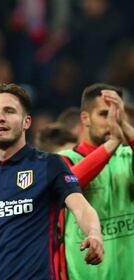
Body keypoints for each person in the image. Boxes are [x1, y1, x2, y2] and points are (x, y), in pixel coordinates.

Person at [0, 83, 104, 279]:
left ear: (27, 122)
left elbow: (81, 207)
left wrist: (94, 233)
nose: (0, 117)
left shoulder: (48, 165)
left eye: (9, 111)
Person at [59, 83, 134, 280]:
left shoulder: (128, 156)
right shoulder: (63, 160)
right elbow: (70, 183)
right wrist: (112, 142)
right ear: (85, 118)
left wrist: (125, 127)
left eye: (116, 114)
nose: (111, 121)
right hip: (85, 275)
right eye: (103, 114)